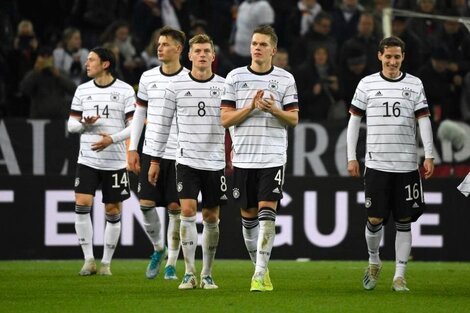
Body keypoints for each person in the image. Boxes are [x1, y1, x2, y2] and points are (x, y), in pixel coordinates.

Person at [346, 36, 435, 292]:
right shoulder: (367, 84)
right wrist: (351, 156)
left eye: (397, 57)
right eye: (388, 56)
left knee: (404, 219)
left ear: (403, 57)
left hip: (407, 165)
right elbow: (354, 121)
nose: (392, 61)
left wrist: (428, 154)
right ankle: (374, 261)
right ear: (379, 56)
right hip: (376, 164)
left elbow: (424, 121)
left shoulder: (414, 84)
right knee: (374, 219)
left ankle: (399, 275)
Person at [221, 25, 299, 292]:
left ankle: (258, 275)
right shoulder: (234, 77)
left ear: (273, 50)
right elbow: (225, 119)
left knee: (268, 212)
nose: (257, 47)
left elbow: (293, 118)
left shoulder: (286, 79)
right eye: (254, 43)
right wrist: (251, 107)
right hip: (243, 158)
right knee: (249, 217)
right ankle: (260, 268)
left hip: (272, 157)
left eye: (263, 44)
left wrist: (274, 109)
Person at [148, 33, 226, 290]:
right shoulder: (176, 87)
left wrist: (234, 153)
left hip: (215, 163)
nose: (202, 55)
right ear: (189, 55)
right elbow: (162, 126)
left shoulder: (226, 87)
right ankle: (190, 272)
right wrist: (155, 160)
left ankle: (207, 273)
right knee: (188, 212)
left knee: (211, 217)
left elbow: (233, 125)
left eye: (206, 51)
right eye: (198, 51)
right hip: (186, 161)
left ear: (213, 57)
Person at [67, 47, 135, 276]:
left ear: (105, 64)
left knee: (113, 209)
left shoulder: (125, 91)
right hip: (87, 159)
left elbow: (134, 126)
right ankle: (88, 260)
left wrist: (111, 140)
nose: (86, 64)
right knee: (82, 203)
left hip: (114, 162)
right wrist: (86, 125)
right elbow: (71, 125)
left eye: (91, 60)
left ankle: (106, 262)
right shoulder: (82, 90)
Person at [128, 26, 188, 281]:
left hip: (180, 153)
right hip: (151, 148)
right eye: (158, 44)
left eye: (165, 44)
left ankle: (172, 263)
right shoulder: (148, 77)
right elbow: (140, 112)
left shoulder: (190, 78)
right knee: (145, 204)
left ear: (179, 49)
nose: (159, 48)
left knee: (175, 206)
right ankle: (158, 248)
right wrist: (132, 147)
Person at [20, 46, 77, 119]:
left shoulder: (60, 73)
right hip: (39, 118)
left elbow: (74, 90)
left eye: (48, 57)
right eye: (43, 57)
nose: (46, 59)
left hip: (59, 118)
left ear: (52, 58)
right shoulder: (34, 74)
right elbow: (24, 89)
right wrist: (35, 72)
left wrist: (59, 76)